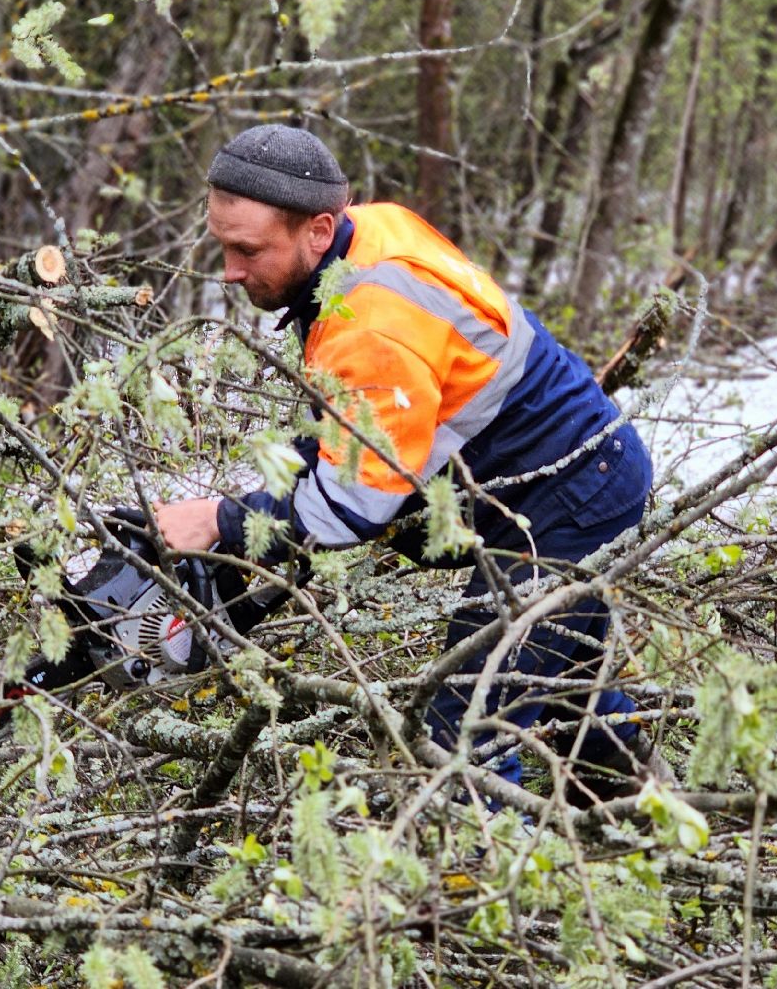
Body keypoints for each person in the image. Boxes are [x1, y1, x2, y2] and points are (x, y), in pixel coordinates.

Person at [154, 123, 656, 803]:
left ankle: (494, 886)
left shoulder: (370, 320)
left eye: (247, 250)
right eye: (223, 245)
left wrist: (219, 519)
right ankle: (645, 829)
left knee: (464, 730)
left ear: (319, 229)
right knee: (565, 695)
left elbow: (348, 509)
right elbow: (359, 432)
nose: (231, 270)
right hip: (579, 473)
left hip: (566, 501)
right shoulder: (368, 236)